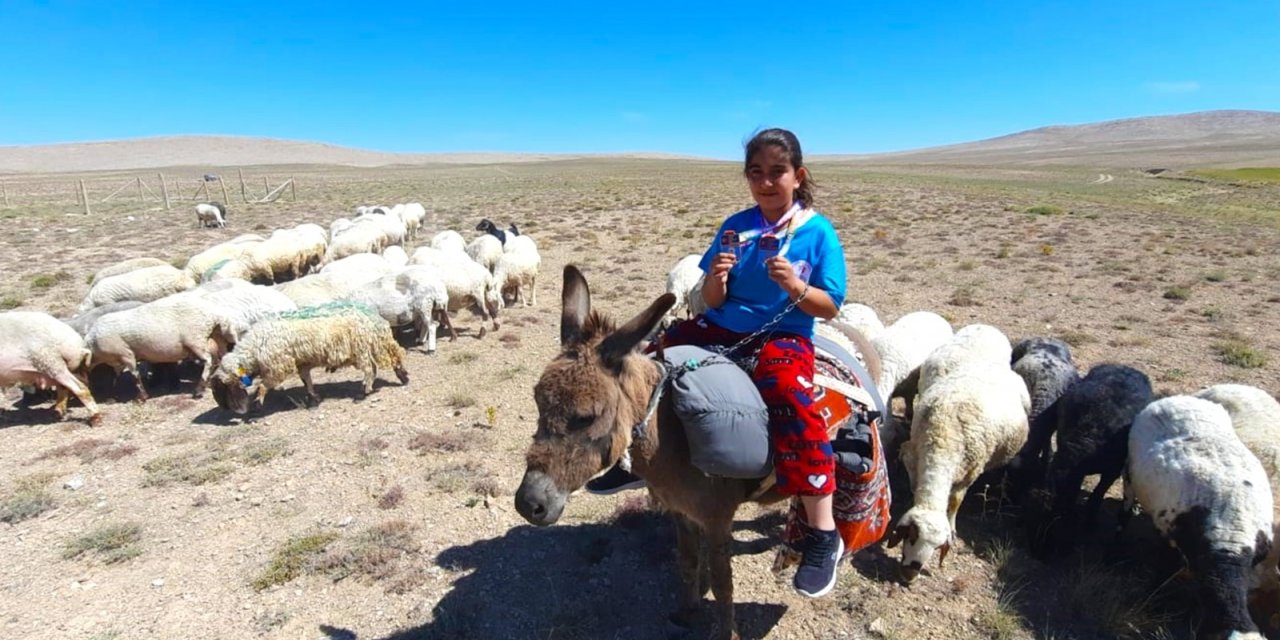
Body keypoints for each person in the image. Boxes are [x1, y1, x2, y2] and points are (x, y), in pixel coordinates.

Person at [588, 127, 848, 598]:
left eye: (777, 172)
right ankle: (632, 459)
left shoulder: (817, 233)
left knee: (792, 396)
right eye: (756, 173)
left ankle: (823, 532)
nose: (766, 183)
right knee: (646, 361)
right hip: (723, 326)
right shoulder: (737, 225)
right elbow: (709, 299)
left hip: (783, 333)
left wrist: (794, 286)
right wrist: (718, 279)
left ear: (797, 175)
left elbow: (830, 306)